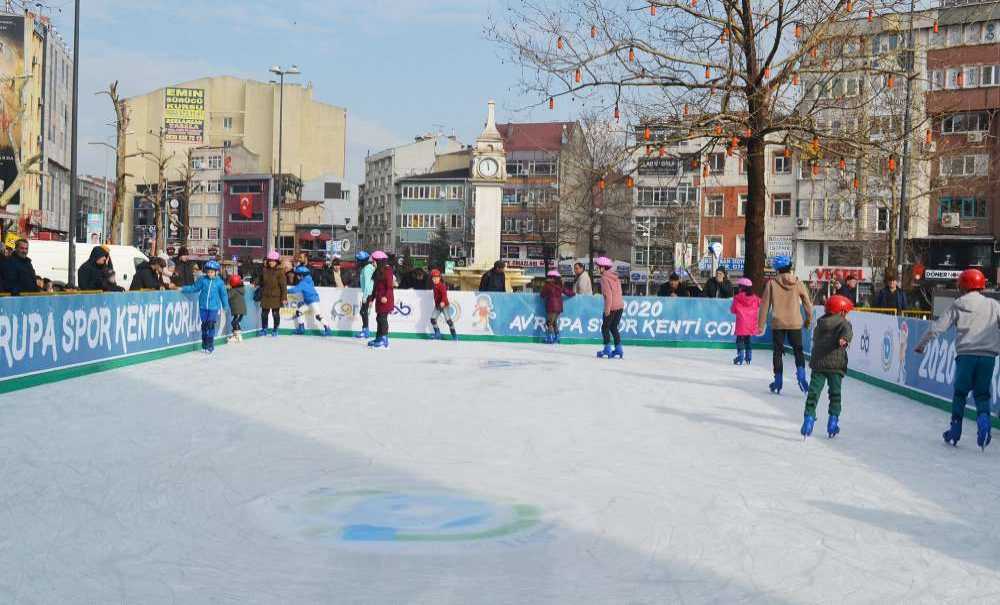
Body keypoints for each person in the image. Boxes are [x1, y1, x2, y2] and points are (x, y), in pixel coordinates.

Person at [915, 268, 1000, 449]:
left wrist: (922, 344)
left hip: (966, 356)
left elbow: (937, 328)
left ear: (963, 285)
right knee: (982, 394)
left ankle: (955, 429)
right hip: (988, 357)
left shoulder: (958, 304)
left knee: (960, 393)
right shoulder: (993, 305)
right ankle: (984, 421)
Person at [757, 255, 813, 395]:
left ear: (777, 269)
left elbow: (764, 305)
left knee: (778, 353)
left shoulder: (771, 283)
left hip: (778, 323)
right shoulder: (798, 283)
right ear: (789, 267)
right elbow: (807, 303)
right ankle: (801, 377)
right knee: (798, 351)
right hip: (795, 322)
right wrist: (808, 320)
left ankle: (778, 381)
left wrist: (760, 325)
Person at [801, 295, 854, 439]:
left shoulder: (820, 323)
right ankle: (833, 422)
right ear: (842, 311)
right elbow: (847, 333)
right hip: (835, 366)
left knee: (813, 393)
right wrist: (844, 340)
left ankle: (808, 420)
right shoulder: (844, 323)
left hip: (818, 364)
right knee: (835, 395)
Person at [181, 260, 230, 354]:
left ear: (217, 272)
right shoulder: (203, 280)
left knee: (210, 325)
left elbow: (223, 295)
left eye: (211, 272)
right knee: (204, 326)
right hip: (203, 306)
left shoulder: (219, 283)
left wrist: (225, 306)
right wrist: (183, 288)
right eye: (208, 272)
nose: (209, 274)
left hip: (213, 307)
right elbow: (194, 288)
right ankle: (204, 343)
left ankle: (210, 344)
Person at [288, 265, 332, 336]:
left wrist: (285, 290)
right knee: (299, 312)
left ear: (302, 275)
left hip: (313, 301)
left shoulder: (303, 283)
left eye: (298, 275)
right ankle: (301, 328)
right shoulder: (309, 280)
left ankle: (328, 329)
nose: (297, 277)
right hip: (308, 301)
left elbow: (294, 290)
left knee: (318, 316)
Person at [595, 256, 625, 359]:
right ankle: (618, 349)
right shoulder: (615, 277)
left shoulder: (604, 278)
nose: (597, 269)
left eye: (598, 267)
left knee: (605, 327)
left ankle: (607, 349)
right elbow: (619, 293)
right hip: (620, 306)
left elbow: (608, 295)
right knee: (613, 327)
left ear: (603, 267)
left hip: (611, 306)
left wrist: (607, 309)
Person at [730, 277, 761, 366]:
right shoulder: (755, 298)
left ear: (742, 287)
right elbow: (761, 303)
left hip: (741, 323)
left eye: (739, 286)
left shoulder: (737, 297)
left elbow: (733, 310)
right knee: (748, 340)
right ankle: (749, 357)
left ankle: (740, 355)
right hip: (751, 324)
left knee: (739, 340)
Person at [368, 250, 394, 348]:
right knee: (379, 318)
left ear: (379, 261)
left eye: (374, 261)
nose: (373, 263)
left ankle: (384, 338)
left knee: (382, 318)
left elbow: (389, 286)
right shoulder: (378, 272)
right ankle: (378, 337)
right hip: (380, 299)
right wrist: (371, 299)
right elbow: (375, 288)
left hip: (385, 300)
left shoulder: (387, 271)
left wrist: (386, 297)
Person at [258, 251, 287, 337]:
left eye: (273, 261)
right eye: (270, 261)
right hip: (265, 296)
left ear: (277, 262)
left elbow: (283, 286)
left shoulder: (280, 272)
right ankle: (264, 329)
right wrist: (255, 283)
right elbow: (260, 280)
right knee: (264, 314)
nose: (271, 262)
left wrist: (284, 298)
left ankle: (275, 329)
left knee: (275, 314)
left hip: (275, 296)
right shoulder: (264, 270)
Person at [429, 268, 457, 340]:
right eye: (433, 278)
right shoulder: (434, 285)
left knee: (448, 321)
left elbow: (444, 295)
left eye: (437, 278)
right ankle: (437, 334)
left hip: (444, 305)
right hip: (438, 306)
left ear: (439, 278)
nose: (435, 279)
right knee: (433, 319)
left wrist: (443, 302)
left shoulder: (442, 286)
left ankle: (454, 335)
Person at [540, 270, 566, 344]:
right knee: (554, 322)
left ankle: (550, 337)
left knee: (549, 323)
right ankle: (557, 337)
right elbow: (567, 292)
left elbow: (542, 295)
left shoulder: (547, 285)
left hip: (551, 306)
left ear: (551, 277)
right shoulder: (560, 285)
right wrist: (574, 293)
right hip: (559, 307)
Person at [355, 251, 375, 339]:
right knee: (363, 311)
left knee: (363, 311)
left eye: (358, 260)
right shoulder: (367, 267)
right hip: (368, 293)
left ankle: (366, 331)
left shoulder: (367, 269)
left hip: (368, 293)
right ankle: (365, 329)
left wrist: (365, 296)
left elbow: (367, 283)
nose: (357, 262)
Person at [227, 274, 247, 343]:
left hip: (237, 310)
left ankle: (238, 336)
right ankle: (236, 336)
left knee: (234, 322)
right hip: (241, 311)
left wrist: (226, 289)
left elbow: (227, 296)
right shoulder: (240, 289)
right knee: (235, 322)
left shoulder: (233, 290)